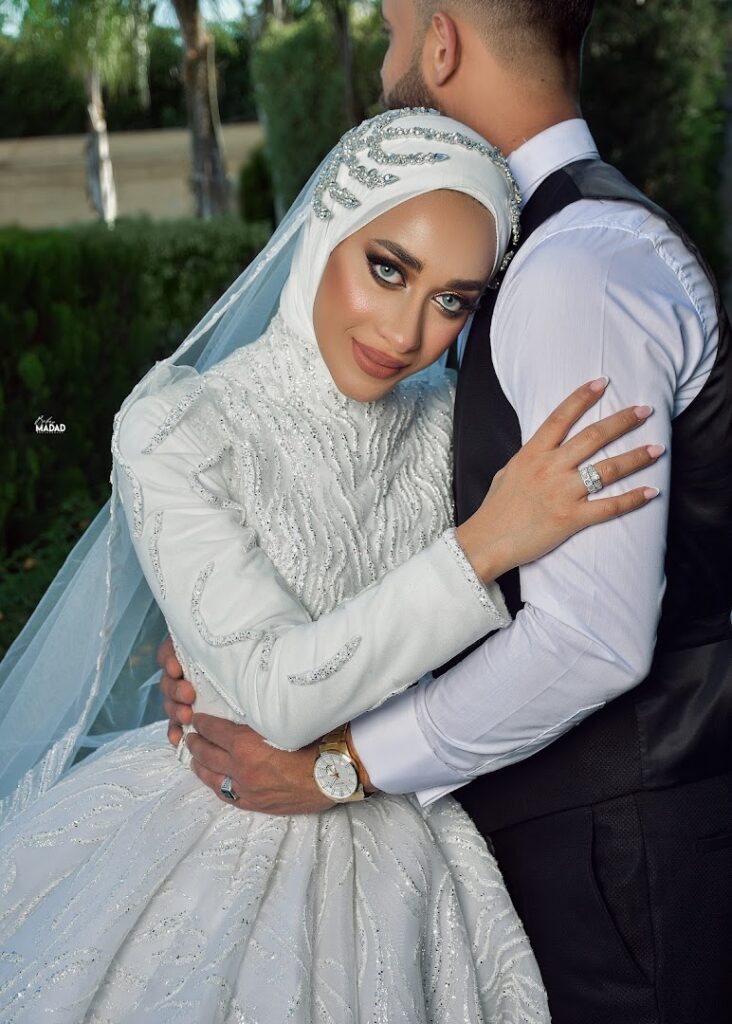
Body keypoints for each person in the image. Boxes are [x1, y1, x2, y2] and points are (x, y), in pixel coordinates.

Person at [0, 109, 660, 1022]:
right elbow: (276, 696)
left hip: (411, 839)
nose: (405, 331)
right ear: (323, 232)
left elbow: (553, 636)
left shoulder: (454, 431)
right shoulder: (174, 429)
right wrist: (486, 542)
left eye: (452, 301)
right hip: (211, 828)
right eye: (387, 268)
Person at [161, 4, 732, 1023]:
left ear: (441, 42)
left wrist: (340, 764)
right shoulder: (527, 256)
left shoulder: (576, 270)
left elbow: (591, 637)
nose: (385, 66)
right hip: (550, 848)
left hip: (620, 864)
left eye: (388, 33)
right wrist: (232, 639)